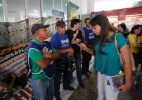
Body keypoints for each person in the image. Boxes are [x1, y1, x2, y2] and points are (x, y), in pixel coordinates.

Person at [79, 15, 132, 100]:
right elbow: (97, 53)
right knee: (100, 91)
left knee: (110, 97)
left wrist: (128, 83)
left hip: (113, 74)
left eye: (94, 27)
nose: (93, 30)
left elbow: (127, 62)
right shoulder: (100, 37)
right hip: (101, 71)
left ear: (102, 25)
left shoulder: (118, 37)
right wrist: (86, 49)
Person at [26, 24, 59, 100]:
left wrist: (48, 56)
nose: (47, 31)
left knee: (50, 96)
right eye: (44, 30)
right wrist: (51, 56)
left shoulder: (47, 43)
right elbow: (43, 64)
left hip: (50, 76)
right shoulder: (32, 48)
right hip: (39, 80)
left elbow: (57, 54)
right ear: (38, 32)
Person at [51, 20, 75, 100]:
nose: (64, 29)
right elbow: (56, 51)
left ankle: (66, 86)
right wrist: (68, 50)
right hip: (59, 60)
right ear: (58, 28)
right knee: (57, 78)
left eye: (65, 27)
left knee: (66, 73)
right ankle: (57, 94)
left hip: (66, 58)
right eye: (62, 27)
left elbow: (68, 45)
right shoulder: (55, 37)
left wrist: (71, 49)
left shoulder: (65, 35)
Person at [66, 19, 85, 88]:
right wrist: (71, 43)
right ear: (74, 24)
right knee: (70, 67)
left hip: (77, 52)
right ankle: (70, 79)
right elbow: (65, 42)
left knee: (79, 67)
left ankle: (80, 81)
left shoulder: (79, 32)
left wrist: (80, 42)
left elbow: (81, 41)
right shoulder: (67, 32)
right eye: (78, 24)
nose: (79, 25)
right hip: (70, 53)